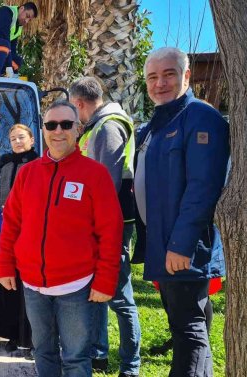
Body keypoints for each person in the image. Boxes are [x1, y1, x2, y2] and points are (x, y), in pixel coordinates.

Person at [0, 99, 123, 377]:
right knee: (43, 351)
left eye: (66, 124)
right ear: (43, 130)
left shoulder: (95, 174)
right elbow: (12, 224)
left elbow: (110, 232)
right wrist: (5, 265)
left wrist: (105, 281)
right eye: (51, 124)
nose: (58, 131)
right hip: (32, 286)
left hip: (76, 287)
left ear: (77, 129)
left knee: (77, 357)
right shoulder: (27, 173)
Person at [133, 47, 229, 377]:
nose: (160, 83)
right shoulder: (157, 124)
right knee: (191, 327)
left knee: (188, 331)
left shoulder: (201, 117)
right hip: (163, 244)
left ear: (186, 76)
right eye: (152, 77)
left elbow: (203, 187)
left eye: (169, 74)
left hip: (182, 249)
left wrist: (181, 245)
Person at [69, 77, 140, 377]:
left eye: (74, 109)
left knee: (120, 295)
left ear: (80, 103)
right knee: (96, 291)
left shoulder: (108, 125)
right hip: (101, 220)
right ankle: (98, 353)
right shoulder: (99, 124)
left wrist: (95, 223)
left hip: (112, 223)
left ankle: (131, 366)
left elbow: (106, 183)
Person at [0, 124, 38, 357]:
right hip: (8, 231)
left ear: (32, 139)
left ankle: (31, 338)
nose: (17, 142)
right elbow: (1, 196)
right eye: (13, 138)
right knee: (9, 283)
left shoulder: (39, 164)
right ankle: (11, 335)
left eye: (21, 137)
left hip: (30, 231)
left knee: (30, 286)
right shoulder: (7, 165)